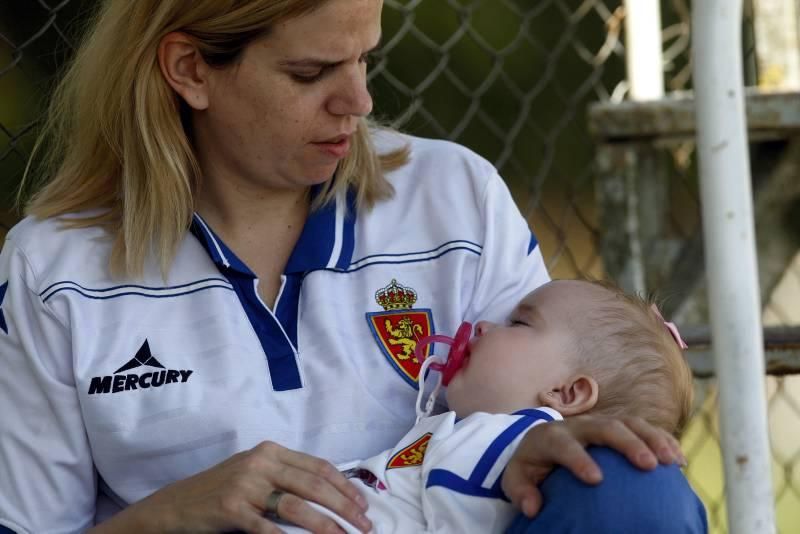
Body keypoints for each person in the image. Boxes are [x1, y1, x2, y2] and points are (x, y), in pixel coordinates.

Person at [0, 1, 697, 533]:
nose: (358, 102)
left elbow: (562, 422)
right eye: (310, 73)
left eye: (365, 59)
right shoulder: (54, 269)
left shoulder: (453, 197)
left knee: (631, 483)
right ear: (189, 70)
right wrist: (168, 515)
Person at [275, 279, 707, 533]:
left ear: (566, 394)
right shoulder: (469, 431)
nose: (483, 325)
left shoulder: (505, 439)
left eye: (518, 323)